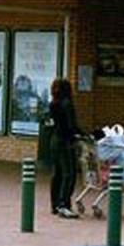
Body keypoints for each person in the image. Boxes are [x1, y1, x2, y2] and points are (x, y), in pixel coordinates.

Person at [49, 78, 82, 219]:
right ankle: (64, 205)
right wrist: (82, 134)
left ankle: (55, 204)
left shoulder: (53, 104)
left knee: (57, 173)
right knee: (69, 173)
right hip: (65, 142)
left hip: (54, 140)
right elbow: (71, 125)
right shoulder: (67, 104)